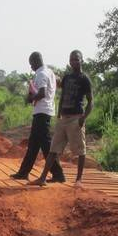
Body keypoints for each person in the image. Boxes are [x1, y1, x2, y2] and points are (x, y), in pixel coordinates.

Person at [30, 49, 93, 187]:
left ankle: (78, 180)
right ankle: (42, 178)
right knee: (53, 149)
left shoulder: (84, 79)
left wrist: (83, 118)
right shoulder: (67, 78)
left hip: (76, 118)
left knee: (80, 151)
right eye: (71, 59)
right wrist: (59, 115)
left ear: (81, 60)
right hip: (63, 118)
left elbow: (90, 101)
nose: (74, 62)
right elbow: (63, 96)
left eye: (76, 59)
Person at [11, 51, 65, 182]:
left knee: (46, 146)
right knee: (34, 144)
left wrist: (30, 98)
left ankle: (58, 174)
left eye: (31, 64)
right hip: (45, 111)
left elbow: (42, 93)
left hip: (42, 112)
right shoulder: (50, 72)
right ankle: (24, 172)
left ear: (36, 61)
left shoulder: (41, 74)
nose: (31, 67)